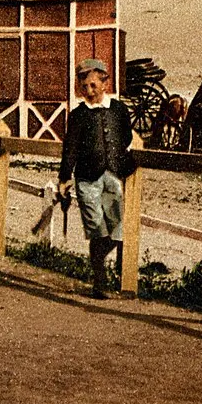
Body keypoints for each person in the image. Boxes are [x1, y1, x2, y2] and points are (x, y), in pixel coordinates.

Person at [58, 59, 136, 299]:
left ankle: (113, 274)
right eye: (84, 87)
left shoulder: (120, 110)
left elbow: (125, 138)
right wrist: (64, 178)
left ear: (105, 83)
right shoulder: (78, 115)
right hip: (87, 179)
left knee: (117, 229)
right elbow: (70, 148)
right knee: (97, 229)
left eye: (93, 85)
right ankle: (100, 282)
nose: (89, 92)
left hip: (113, 176)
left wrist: (120, 163)